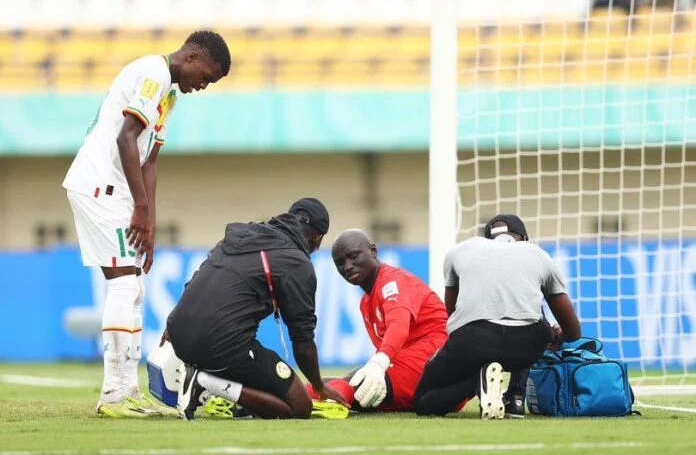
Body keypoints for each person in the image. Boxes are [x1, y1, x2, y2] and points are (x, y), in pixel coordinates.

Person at [61, 31, 231, 418]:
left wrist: (148, 221)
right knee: (124, 283)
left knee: (134, 286)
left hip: (117, 190)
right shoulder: (152, 73)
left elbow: (149, 161)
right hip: (101, 185)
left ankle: (126, 391)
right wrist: (138, 206)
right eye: (207, 76)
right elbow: (126, 139)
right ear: (191, 56)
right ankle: (114, 395)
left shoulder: (168, 93)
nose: (203, 86)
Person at [165, 198, 348, 420]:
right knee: (299, 407)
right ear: (316, 238)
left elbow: (198, 278)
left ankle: (228, 395)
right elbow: (302, 340)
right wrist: (318, 385)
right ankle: (204, 382)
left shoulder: (242, 234)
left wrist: (175, 322)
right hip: (220, 344)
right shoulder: (296, 263)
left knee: (263, 382)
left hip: (178, 331)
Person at [413, 214, 581, 419]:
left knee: (422, 400)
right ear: (525, 239)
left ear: (486, 239)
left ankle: (476, 381)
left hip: (473, 342)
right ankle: (516, 399)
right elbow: (573, 331)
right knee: (533, 312)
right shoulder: (538, 254)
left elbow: (454, 315)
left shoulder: (460, 250)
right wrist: (556, 334)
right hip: (526, 348)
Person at [308, 229, 464, 412]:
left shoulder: (392, 281)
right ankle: (292, 395)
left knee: (362, 386)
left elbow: (398, 326)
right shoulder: (366, 302)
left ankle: (304, 401)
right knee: (353, 380)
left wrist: (378, 362)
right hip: (421, 370)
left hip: (436, 354)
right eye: (340, 263)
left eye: (353, 256)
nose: (348, 266)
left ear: (373, 251)